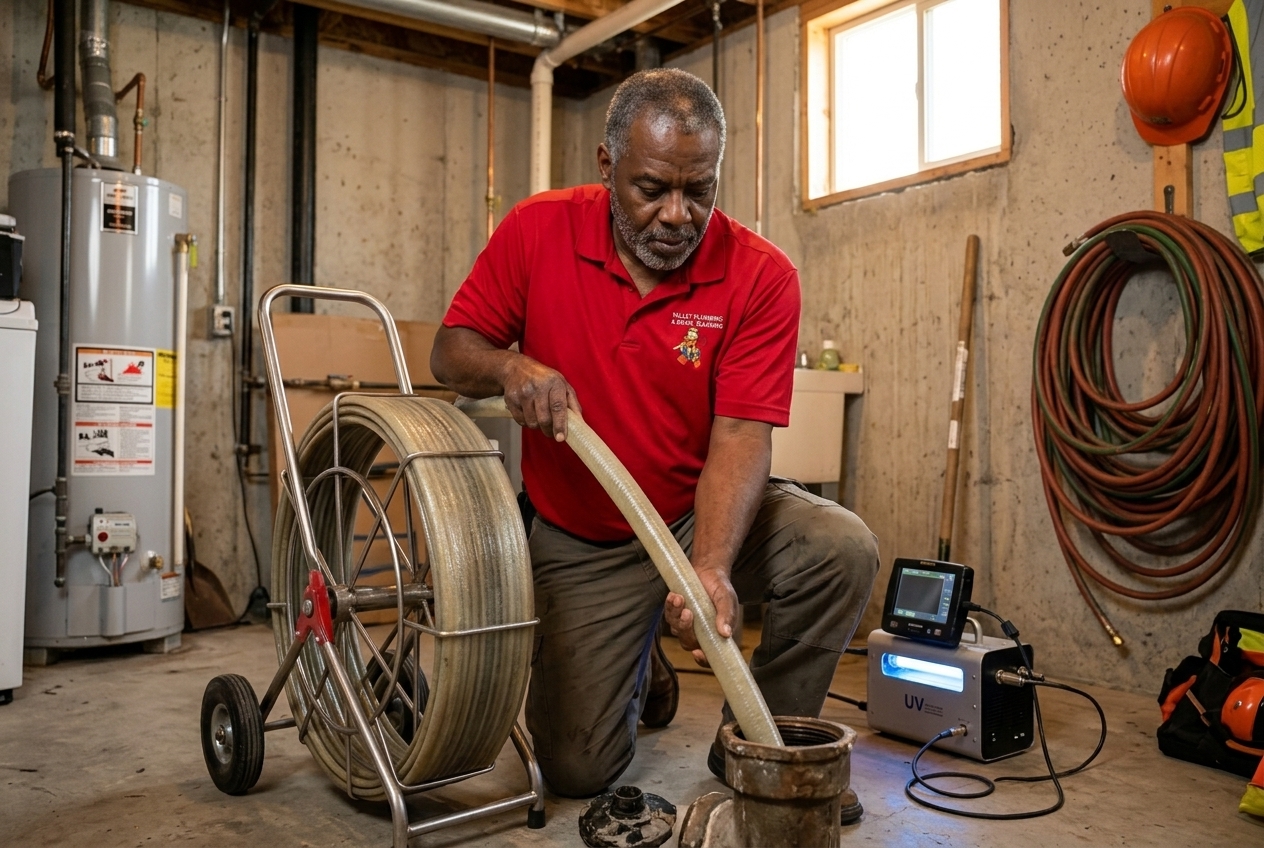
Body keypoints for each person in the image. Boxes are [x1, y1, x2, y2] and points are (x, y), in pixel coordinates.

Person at [431, 68, 879, 814]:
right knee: (576, 771)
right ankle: (639, 657)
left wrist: (710, 568)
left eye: (698, 191)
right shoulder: (537, 230)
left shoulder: (762, 276)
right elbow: (450, 352)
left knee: (841, 548)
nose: (677, 215)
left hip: (690, 511)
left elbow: (740, 434)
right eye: (652, 190)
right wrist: (509, 365)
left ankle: (759, 747)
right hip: (584, 534)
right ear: (607, 167)